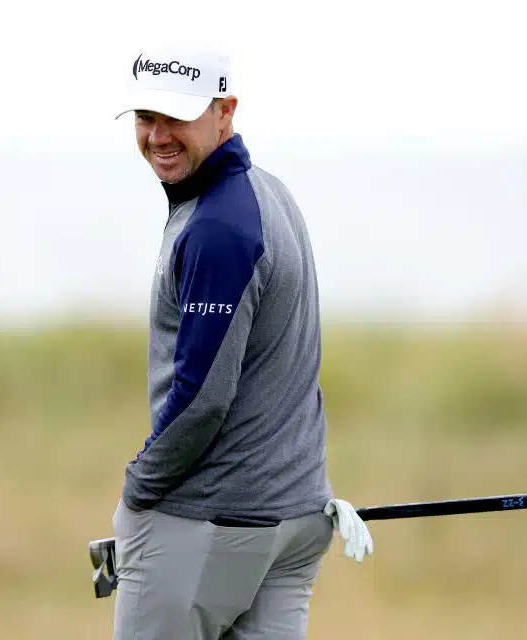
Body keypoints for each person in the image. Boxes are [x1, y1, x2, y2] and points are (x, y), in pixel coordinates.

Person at [110, 45, 374, 640]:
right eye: (146, 119)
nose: (158, 136)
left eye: (176, 117)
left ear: (224, 112)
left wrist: (138, 491)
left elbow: (202, 398)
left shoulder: (217, 229)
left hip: (211, 524)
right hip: (294, 519)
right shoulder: (268, 193)